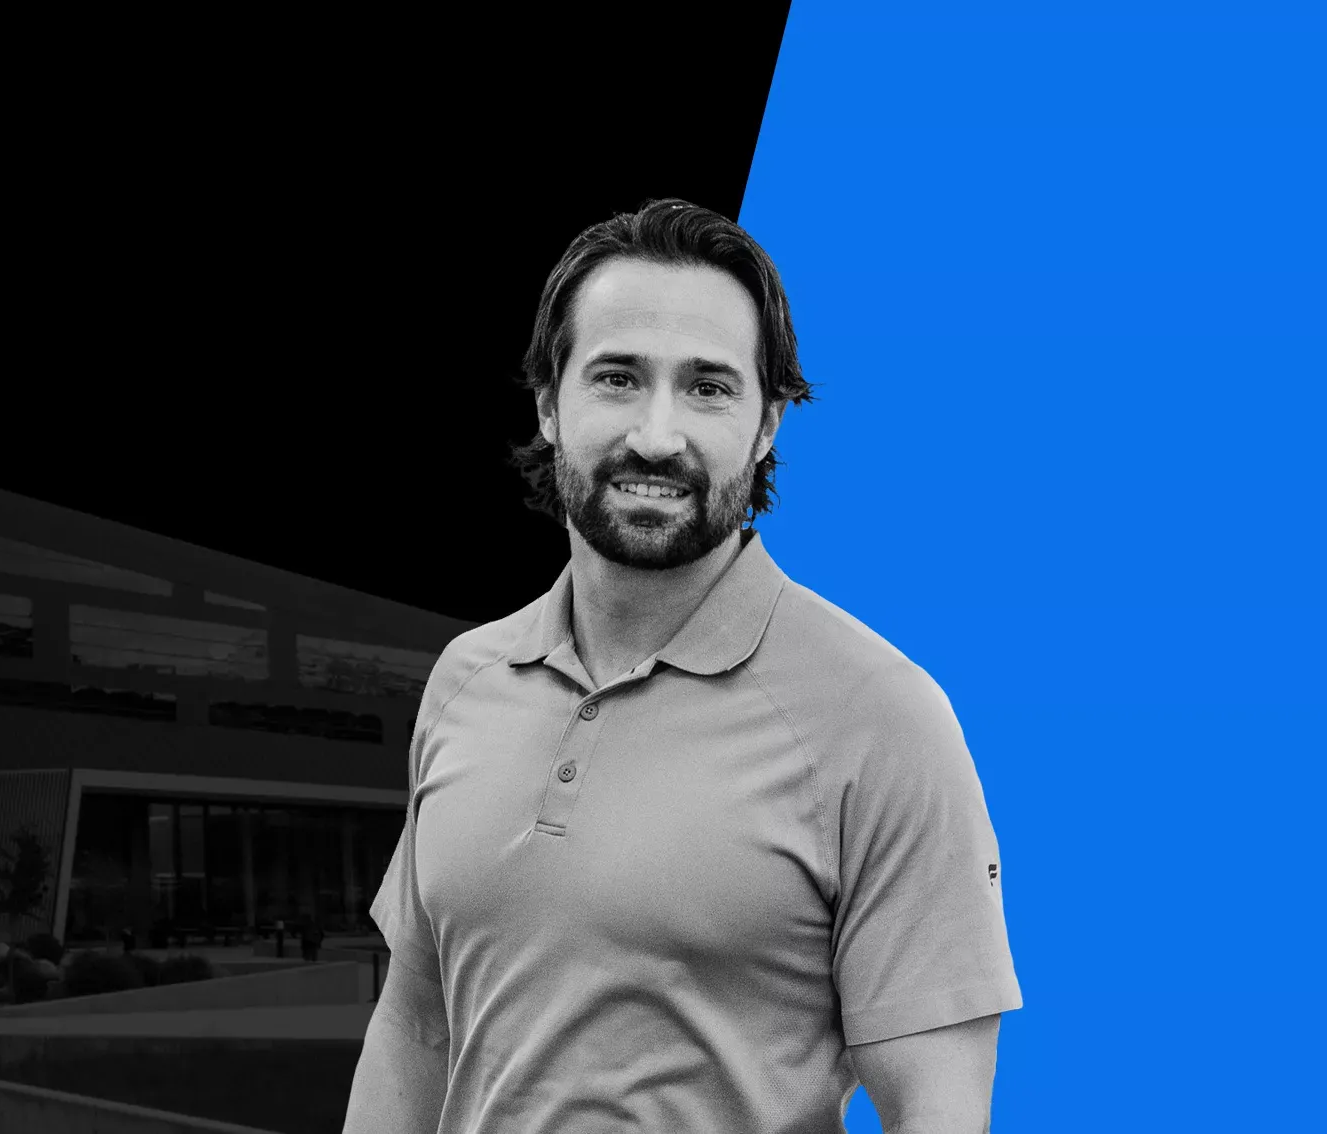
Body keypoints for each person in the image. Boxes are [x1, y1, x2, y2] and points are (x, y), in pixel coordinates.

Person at [344, 200, 1020, 1134]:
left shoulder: (884, 716)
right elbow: (416, 1025)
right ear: (549, 403)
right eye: (618, 378)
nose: (658, 435)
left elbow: (937, 1110)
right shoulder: (466, 677)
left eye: (709, 387)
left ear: (768, 422)